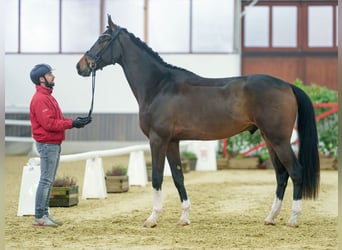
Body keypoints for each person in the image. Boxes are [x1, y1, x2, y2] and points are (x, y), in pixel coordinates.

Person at [29, 64, 92, 227]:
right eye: (50, 74)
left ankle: (43, 213)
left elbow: (55, 120)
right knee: (46, 180)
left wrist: (75, 122)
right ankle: (39, 216)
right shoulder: (41, 99)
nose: (53, 76)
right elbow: (49, 123)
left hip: (53, 143)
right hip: (48, 144)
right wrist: (73, 124)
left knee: (48, 180)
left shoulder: (48, 97)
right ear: (41, 79)